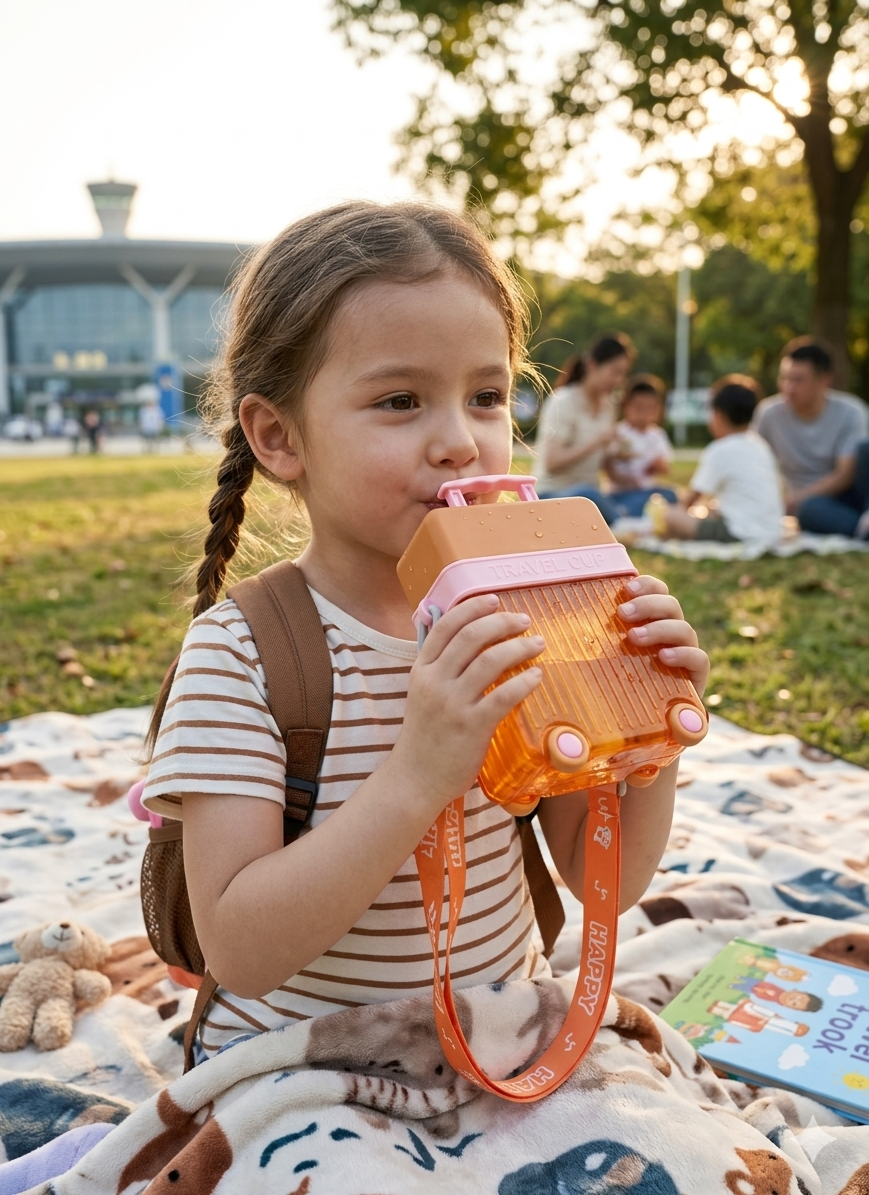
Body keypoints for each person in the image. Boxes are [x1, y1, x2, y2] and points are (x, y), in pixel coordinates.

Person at [137, 202, 708, 1062]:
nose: (460, 443)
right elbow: (240, 951)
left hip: (498, 1041)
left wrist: (646, 735)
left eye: (487, 397)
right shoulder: (243, 653)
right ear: (279, 436)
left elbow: (608, 885)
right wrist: (419, 774)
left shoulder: (523, 614)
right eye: (401, 400)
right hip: (304, 1064)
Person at [753, 337, 869, 538]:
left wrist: (792, 500)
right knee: (810, 511)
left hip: (852, 495)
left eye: (797, 380)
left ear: (824, 380)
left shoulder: (851, 411)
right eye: (784, 378)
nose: (788, 387)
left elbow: (845, 475)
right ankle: (861, 530)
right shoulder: (768, 414)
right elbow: (753, 464)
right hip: (814, 506)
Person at [651, 375, 784, 545]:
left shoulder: (720, 450)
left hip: (739, 533)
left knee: (669, 516)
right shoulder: (761, 446)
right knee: (711, 508)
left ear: (718, 415)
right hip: (771, 531)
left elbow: (689, 501)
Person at [533, 334, 633, 522]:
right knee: (588, 496)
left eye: (623, 373)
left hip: (594, 494)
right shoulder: (563, 402)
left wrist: (626, 468)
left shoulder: (608, 406)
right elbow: (551, 462)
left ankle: (622, 518)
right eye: (614, 372)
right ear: (592, 365)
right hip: (554, 494)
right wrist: (598, 441)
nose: (618, 380)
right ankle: (624, 521)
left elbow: (601, 463)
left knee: (660, 495)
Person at [604, 375, 677, 518]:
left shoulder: (657, 435)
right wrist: (623, 479)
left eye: (650, 409)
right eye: (639, 408)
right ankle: (624, 513)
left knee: (670, 495)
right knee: (637, 502)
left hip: (646, 490)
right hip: (620, 492)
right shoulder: (618, 432)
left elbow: (665, 467)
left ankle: (631, 513)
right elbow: (607, 465)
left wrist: (657, 466)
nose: (644, 414)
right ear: (626, 407)